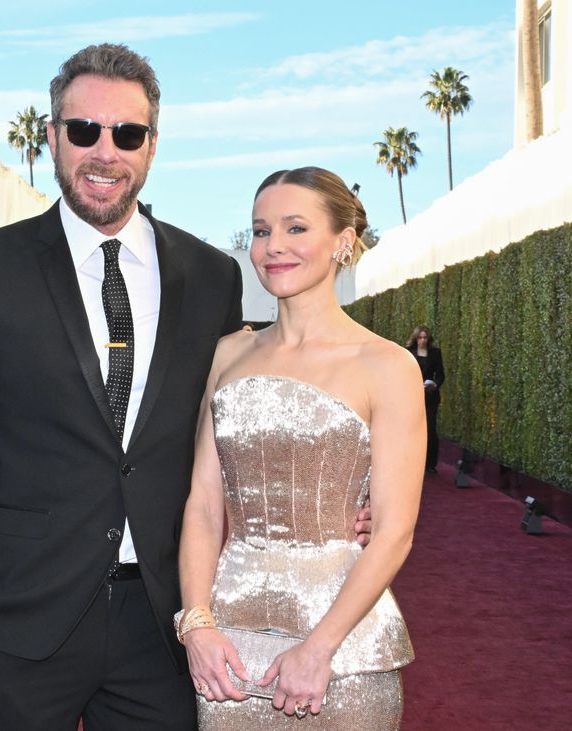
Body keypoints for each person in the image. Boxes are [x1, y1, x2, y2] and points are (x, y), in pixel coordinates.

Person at [0, 45, 372, 730]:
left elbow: (246, 416)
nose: (105, 151)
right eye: (84, 130)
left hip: (167, 624)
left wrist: (341, 503)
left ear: (151, 146)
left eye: (127, 133)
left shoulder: (211, 276)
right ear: (53, 135)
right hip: (18, 622)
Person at [177, 167, 423, 729]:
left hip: (344, 652)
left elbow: (393, 531)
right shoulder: (227, 356)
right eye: (261, 231)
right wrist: (197, 625)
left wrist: (319, 649)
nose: (274, 247)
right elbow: (203, 505)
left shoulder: (387, 366)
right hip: (228, 653)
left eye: (295, 227)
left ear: (343, 240)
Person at [405, 325, 445, 473]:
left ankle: (430, 464)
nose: (422, 340)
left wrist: (435, 385)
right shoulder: (408, 353)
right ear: (416, 338)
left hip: (430, 397)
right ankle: (413, 462)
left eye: (425, 337)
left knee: (431, 429)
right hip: (413, 396)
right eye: (420, 337)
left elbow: (441, 375)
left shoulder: (435, 353)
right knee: (413, 429)